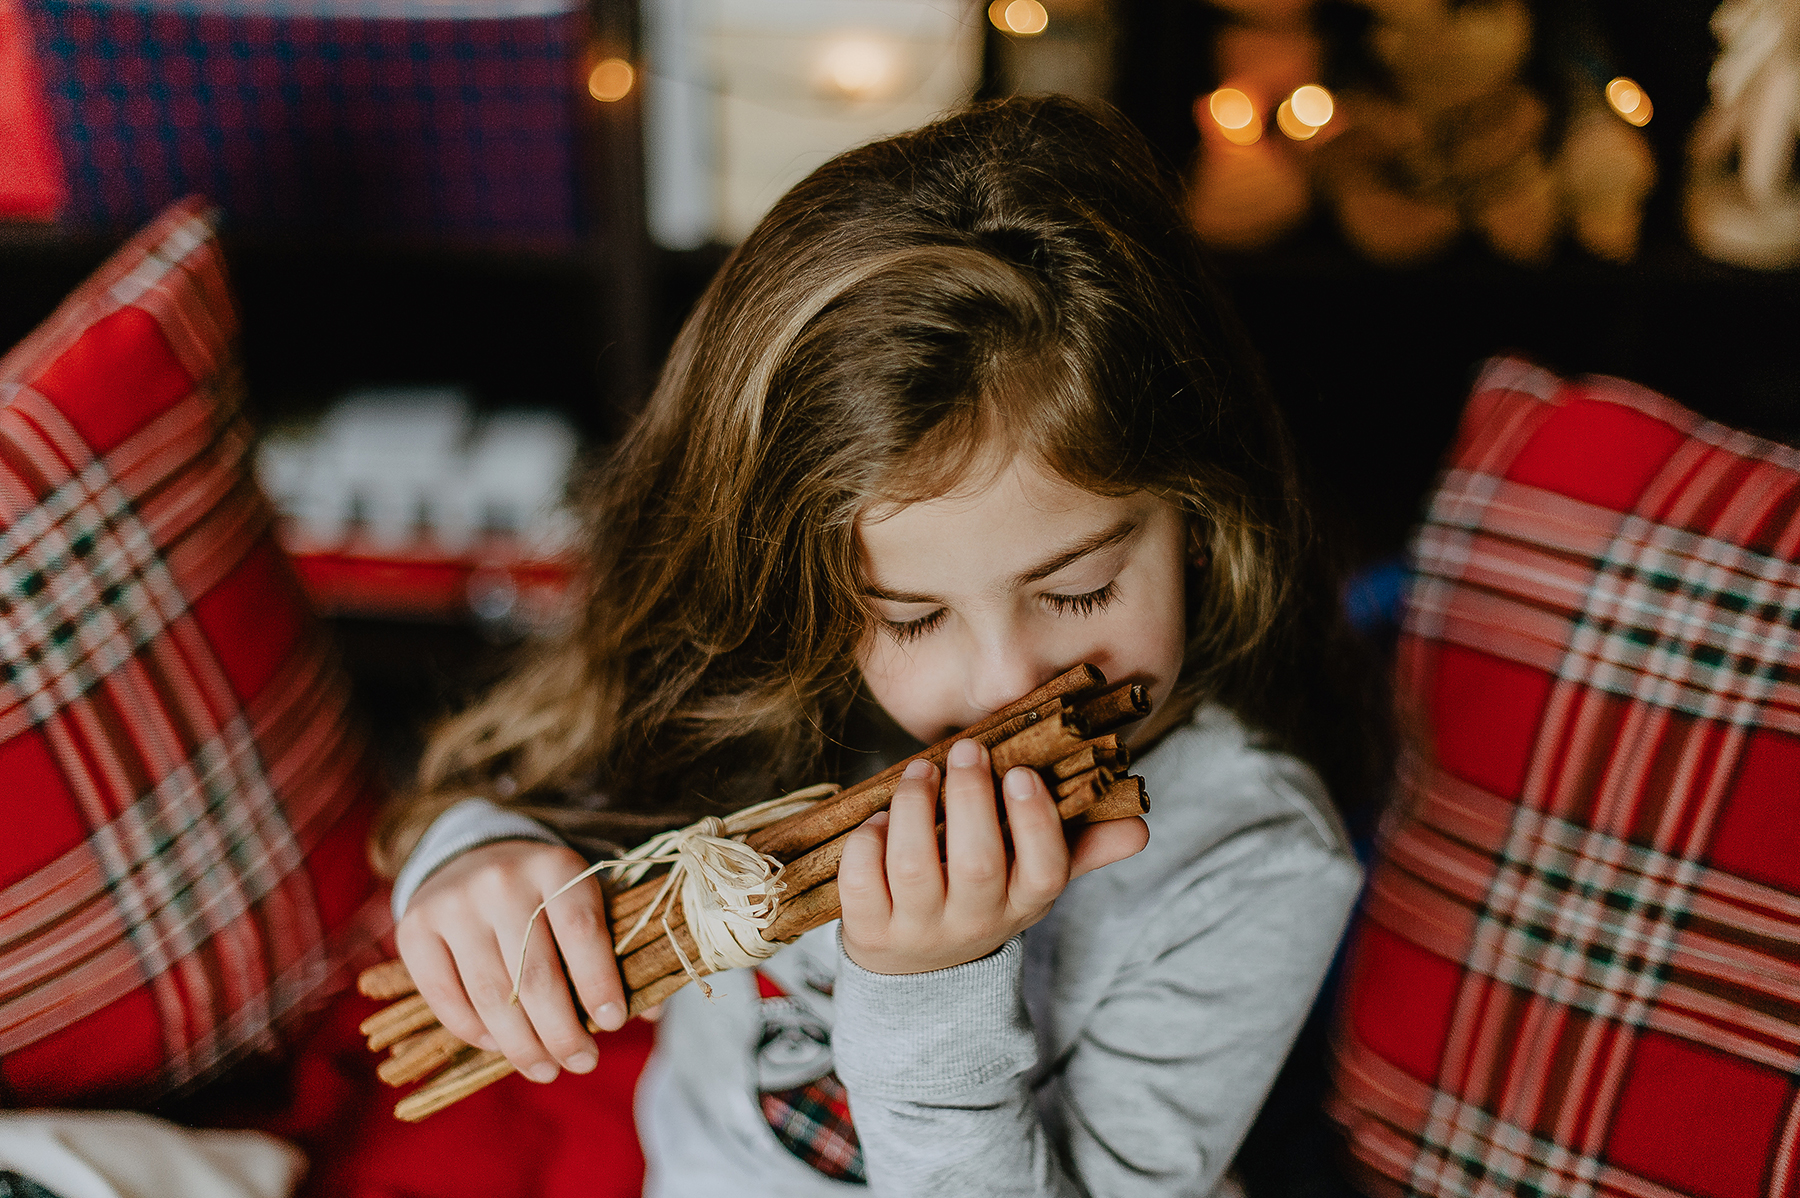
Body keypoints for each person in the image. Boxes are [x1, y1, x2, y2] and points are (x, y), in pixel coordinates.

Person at [375, 95, 1385, 1196]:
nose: (1008, 681)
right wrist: (472, 860)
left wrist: (931, 985)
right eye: (909, 616)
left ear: (1197, 518)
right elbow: (528, 794)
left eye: (1083, 587)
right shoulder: (769, 682)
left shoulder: (1251, 860)